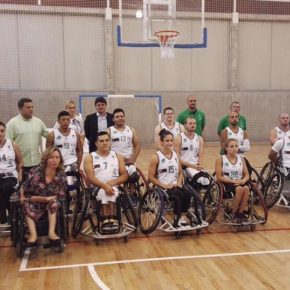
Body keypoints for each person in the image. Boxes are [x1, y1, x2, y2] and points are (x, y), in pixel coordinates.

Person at [20, 147, 67, 246]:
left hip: (50, 202)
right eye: (51, 157)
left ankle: (51, 233)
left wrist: (49, 199)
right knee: (25, 204)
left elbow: (60, 194)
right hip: (33, 200)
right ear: (45, 159)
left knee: (54, 204)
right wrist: (43, 199)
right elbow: (24, 188)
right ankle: (33, 236)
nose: (55, 160)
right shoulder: (35, 172)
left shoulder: (61, 174)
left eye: (57, 157)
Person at [84, 131, 128, 232]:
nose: (105, 143)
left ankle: (111, 219)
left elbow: (125, 175)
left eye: (107, 140)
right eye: (102, 141)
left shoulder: (117, 156)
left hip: (114, 186)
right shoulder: (90, 157)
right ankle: (106, 220)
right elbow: (90, 178)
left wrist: (111, 183)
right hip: (96, 187)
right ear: (96, 143)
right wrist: (104, 186)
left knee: (111, 191)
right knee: (104, 192)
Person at [148, 129, 192, 228]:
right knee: (178, 196)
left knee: (187, 194)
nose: (170, 143)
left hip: (175, 185)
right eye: (167, 141)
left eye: (171, 140)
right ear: (161, 142)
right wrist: (164, 185)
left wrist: (179, 182)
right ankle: (176, 217)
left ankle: (183, 217)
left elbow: (180, 172)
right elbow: (150, 177)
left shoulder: (176, 155)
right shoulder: (156, 157)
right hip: (163, 187)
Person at [6, 98, 48, 180]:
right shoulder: (12, 123)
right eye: (28, 107)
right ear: (20, 108)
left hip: (37, 164)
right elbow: (7, 144)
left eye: (32, 107)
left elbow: (50, 136)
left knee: (36, 190)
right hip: (20, 166)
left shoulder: (38, 122)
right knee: (22, 190)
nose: (31, 109)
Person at [215, 139, 250, 223]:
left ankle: (240, 213)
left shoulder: (241, 159)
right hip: (227, 183)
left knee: (246, 188)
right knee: (239, 189)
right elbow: (219, 177)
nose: (234, 148)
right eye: (231, 146)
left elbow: (247, 175)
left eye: (236, 146)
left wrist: (243, 180)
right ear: (226, 148)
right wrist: (232, 181)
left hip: (239, 181)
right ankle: (234, 213)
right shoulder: (221, 159)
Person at [174, 117, 209, 186]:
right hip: (184, 166)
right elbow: (176, 158)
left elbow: (201, 155)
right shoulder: (179, 138)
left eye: (194, 123)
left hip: (195, 165)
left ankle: (201, 195)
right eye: (190, 123)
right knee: (199, 180)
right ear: (185, 125)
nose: (192, 125)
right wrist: (193, 166)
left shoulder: (199, 138)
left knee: (206, 180)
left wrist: (200, 165)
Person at [0, 121, 23, 226]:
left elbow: (20, 162)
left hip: (10, 176)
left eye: (2, 131)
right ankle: (5, 219)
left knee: (5, 188)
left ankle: (8, 218)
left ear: (5, 132)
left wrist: (20, 174)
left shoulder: (12, 144)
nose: (0, 133)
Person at [107, 108, 141, 178]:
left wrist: (134, 158)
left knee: (134, 177)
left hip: (129, 161)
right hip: (115, 161)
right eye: (117, 117)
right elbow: (107, 149)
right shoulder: (109, 131)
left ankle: (131, 189)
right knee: (123, 177)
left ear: (124, 118)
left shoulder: (131, 129)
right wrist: (120, 158)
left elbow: (137, 145)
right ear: (113, 119)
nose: (120, 118)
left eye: (122, 116)